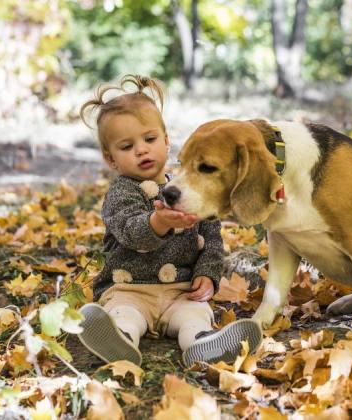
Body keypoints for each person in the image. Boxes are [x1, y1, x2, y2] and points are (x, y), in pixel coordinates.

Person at [76, 74, 261, 367]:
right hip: (130, 289)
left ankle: (202, 343)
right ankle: (119, 340)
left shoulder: (187, 188)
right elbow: (129, 232)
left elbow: (211, 236)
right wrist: (158, 222)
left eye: (149, 139)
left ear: (166, 140)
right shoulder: (120, 193)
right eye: (126, 147)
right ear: (111, 160)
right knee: (124, 313)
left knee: (194, 315)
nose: (141, 150)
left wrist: (207, 275)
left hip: (181, 291)